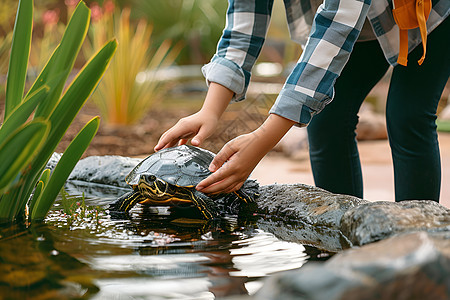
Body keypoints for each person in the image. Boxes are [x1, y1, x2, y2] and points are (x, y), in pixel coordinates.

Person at [154, 0, 449, 202]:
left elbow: (338, 24)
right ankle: (336, 253)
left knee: (406, 116)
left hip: (429, 13)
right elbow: (243, 27)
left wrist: (262, 140)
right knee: (326, 123)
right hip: (361, 28)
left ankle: (420, 251)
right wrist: (209, 110)